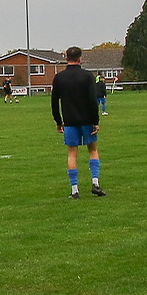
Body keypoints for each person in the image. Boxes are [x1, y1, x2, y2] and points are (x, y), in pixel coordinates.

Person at [51, 46, 104, 199]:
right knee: (93, 150)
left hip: (69, 121)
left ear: (66, 58)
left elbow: (54, 102)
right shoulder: (87, 76)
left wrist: (58, 121)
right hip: (87, 120)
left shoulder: (59, 78)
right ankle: (95, 183)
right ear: (80, 58)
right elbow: (93, 101)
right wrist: (96, 121)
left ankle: (75, 190)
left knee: (72, 154)